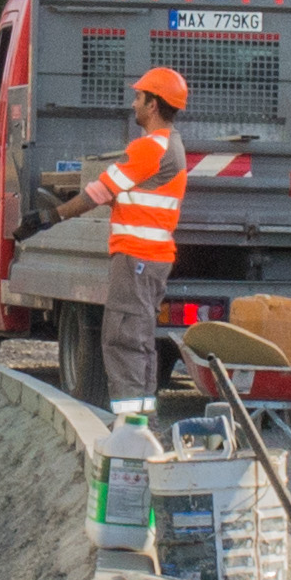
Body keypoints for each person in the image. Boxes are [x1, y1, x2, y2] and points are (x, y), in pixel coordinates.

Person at [72, 62, 194, 406]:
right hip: (152, 257)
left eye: (138, 97)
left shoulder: (150, 148)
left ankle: (132, 430)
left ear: (153, 104)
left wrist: (50, 216)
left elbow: (98, 193)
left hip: (136, 257)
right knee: (138, 341)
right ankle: (142, 422)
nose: (133, 103)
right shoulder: (171, 146)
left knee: (122, 339)